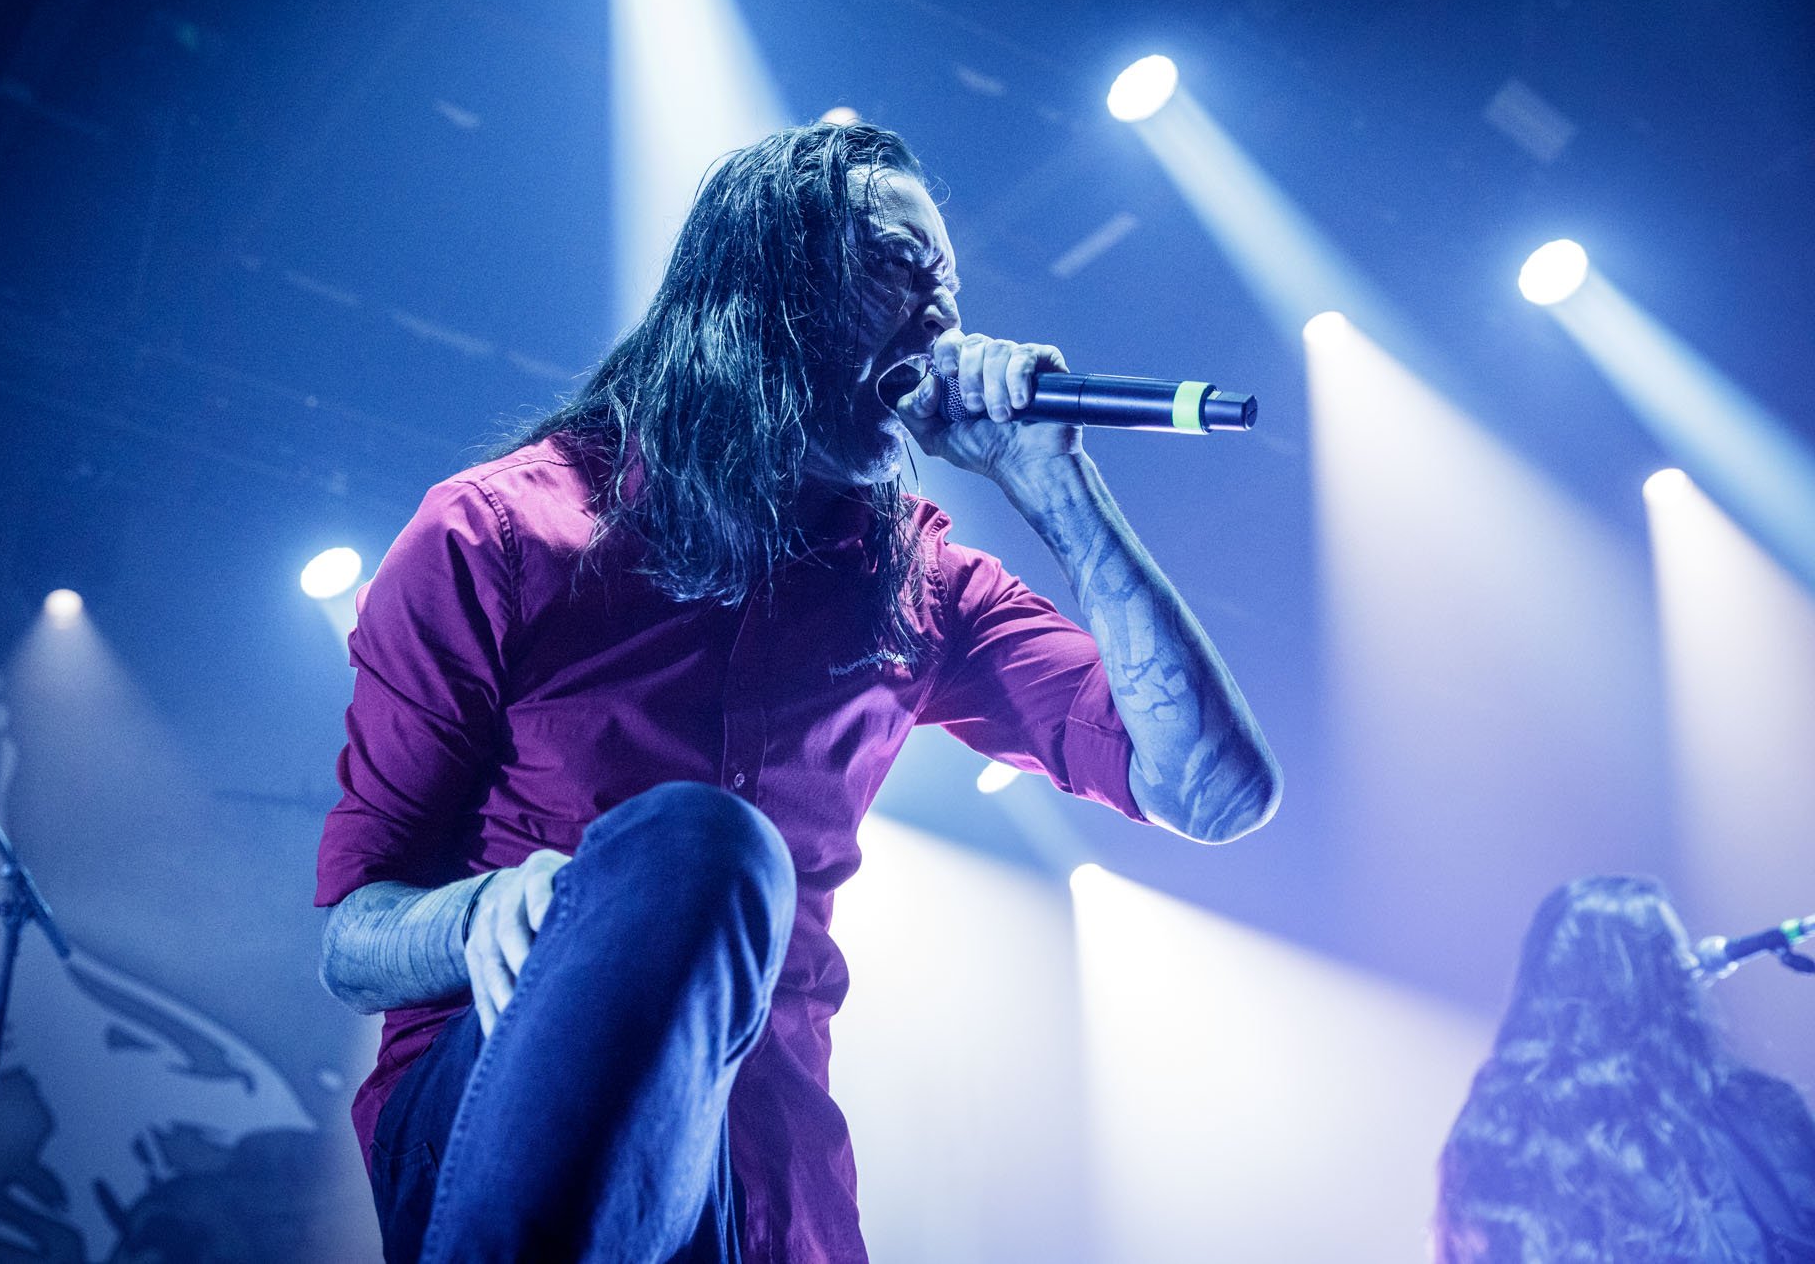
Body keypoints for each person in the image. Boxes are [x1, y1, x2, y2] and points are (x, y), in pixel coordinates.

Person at [313, 121, 1282, 1264]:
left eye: (949, 288)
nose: (940, 321)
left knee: (715, 858)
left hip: (767, 1184)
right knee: (698, 848)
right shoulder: (500, 533)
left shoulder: (920, 582)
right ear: (761, 290)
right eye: (897, 270)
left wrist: (1055, 486)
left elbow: (1211, 793)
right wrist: (480, 914)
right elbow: (352, 934)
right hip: (496, 1111)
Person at [1435, 875, 1815, 1262]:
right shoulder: (1751, 1112)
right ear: (1657, 984)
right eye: (1675, 958)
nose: (1693, 969)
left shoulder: (1497, 1128)